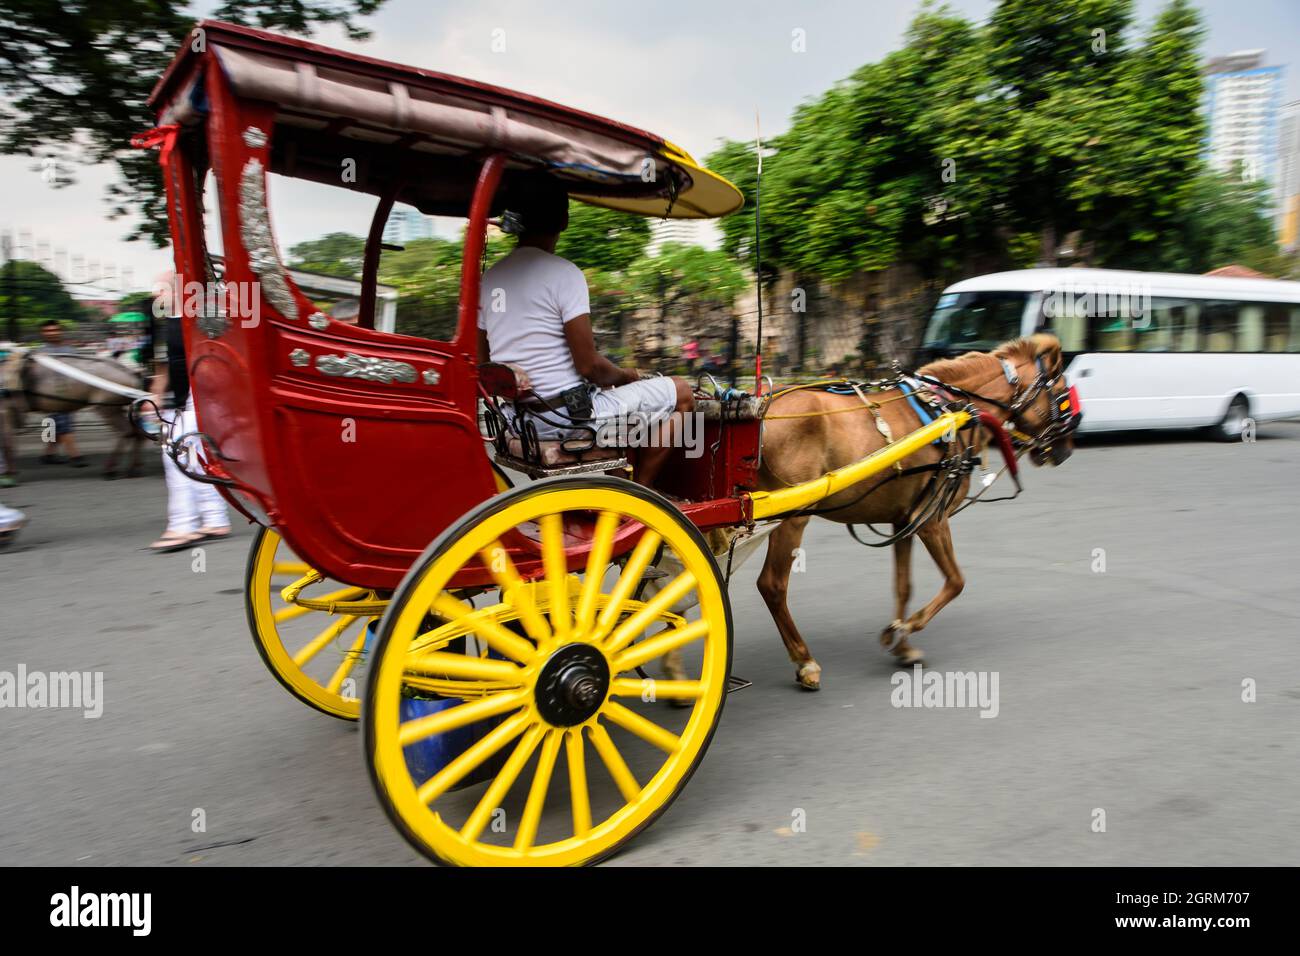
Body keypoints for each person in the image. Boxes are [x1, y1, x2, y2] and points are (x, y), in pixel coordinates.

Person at [477, 175, 693, 487]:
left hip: (518, 421)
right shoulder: (565, 275)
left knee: (618, 403)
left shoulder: (490, 280)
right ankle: (643, 495)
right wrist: (626, 376)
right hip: (565, 420)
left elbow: (483, 364)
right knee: (682, 392)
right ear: (564, 220)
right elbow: (590, 367)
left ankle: (618, 485)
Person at [147, 270, 230, 552]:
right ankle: (215, 518)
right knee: (191, 455)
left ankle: (183, 525)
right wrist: (155, 397)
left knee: (177, 453)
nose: (155, 295)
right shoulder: (165, 325)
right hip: (182, 398)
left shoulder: (201, 321)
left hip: (202, 395)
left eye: (162, 288)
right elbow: (163, 367)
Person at [35, 320, 88, 467]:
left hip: (68, 393)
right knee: (63, 423)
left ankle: (48, 454)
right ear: (42, 334)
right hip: (49, 394)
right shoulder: (40, 353)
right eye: (48, 331)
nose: (52, 333)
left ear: (60, 331)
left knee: (53, 424)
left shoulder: (70, 351)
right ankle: (74, 456)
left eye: (54, 330)